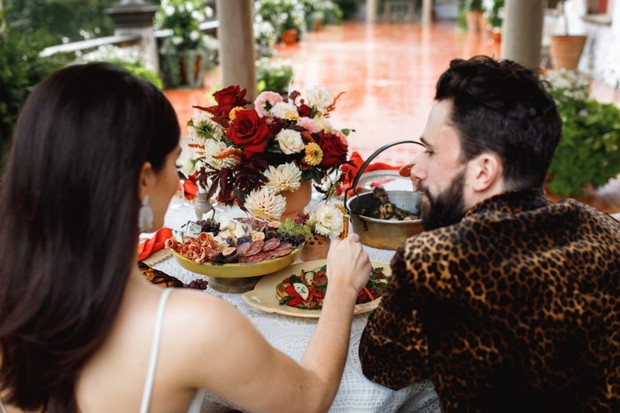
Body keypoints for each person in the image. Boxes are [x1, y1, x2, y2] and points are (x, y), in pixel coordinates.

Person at [0, 63, 371, 413]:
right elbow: (308, 400)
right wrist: (340, 285)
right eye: (175, 161)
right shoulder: (190, 325)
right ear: (144, 179)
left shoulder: (15, 301)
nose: (179, 182)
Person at [358, 56, 619, 412]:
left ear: (483, 171)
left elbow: (383, 365)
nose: (416, 170)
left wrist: (345, 287)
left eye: (431, 151)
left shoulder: (435, 261)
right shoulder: (606, 229)